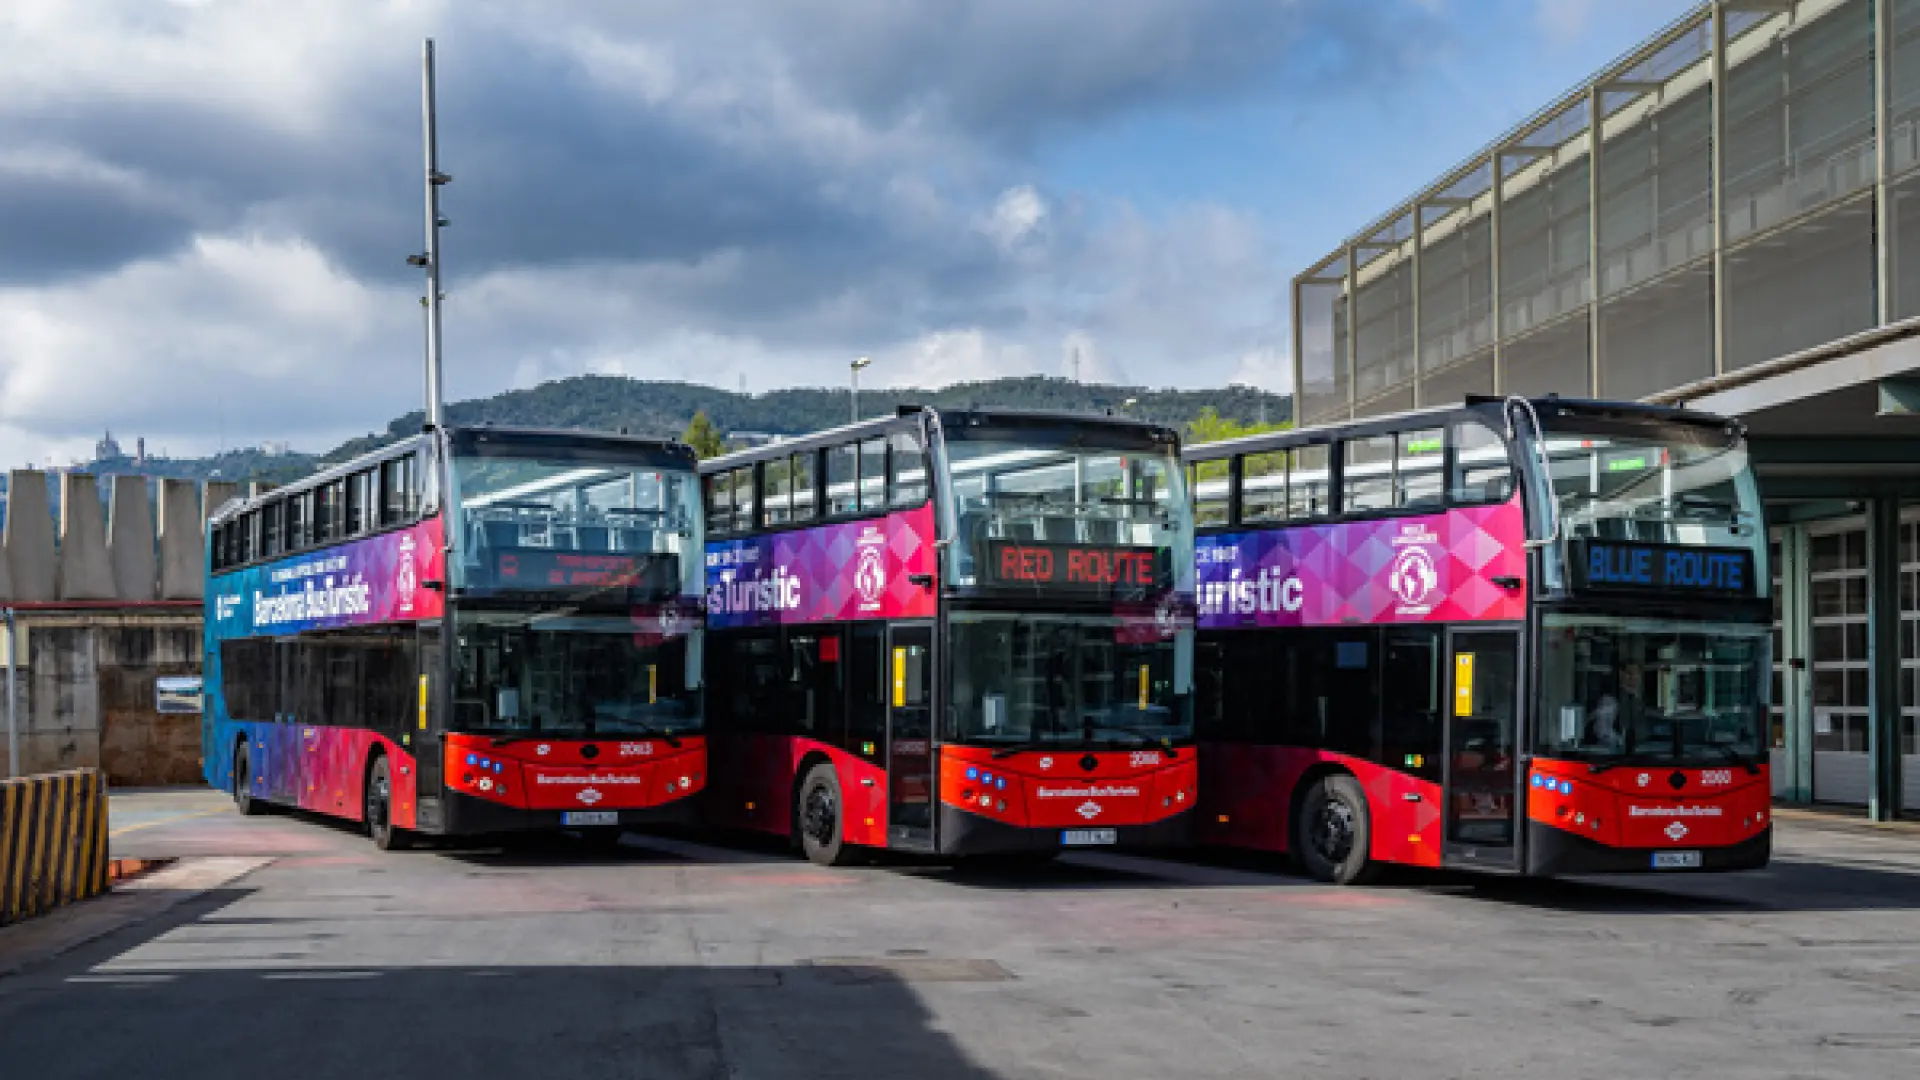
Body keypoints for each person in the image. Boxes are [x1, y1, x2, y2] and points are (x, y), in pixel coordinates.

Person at [1589, 661, 1644, 750]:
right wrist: (1620, 742)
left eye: (1636, 674)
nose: (1633, 677)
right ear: (1621, 674)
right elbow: (1602, 732)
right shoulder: (1609, 699)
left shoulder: (1638, 698)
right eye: (1629, 673)